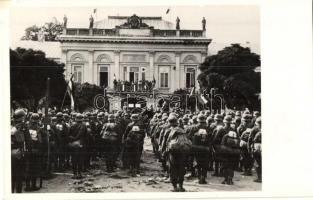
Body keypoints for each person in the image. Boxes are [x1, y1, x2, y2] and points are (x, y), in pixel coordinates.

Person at [11, 109, 32, 193]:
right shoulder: (23, 126)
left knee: (11, 176)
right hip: (19, 153)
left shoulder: (10, 124)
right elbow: (28, 140)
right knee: (19, 175)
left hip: (9, 152)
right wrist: (29, 151)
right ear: (22, 117)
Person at [25, 113, 46, 191]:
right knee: (34, 168)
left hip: (27, 150)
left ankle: (27, 186)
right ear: (38, 120)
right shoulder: (39, 129)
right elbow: (40, 141)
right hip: (35, 151)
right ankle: (33, 186)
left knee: (27, 168)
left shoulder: (26, 127)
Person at [191, 114, 213, 184]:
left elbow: (189, 136)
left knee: (197, 163)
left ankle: (199, 178)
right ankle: (203, 178)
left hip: (196, 148)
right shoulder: (208, 128)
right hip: (206, 148)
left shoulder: (194, 127)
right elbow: (211, 137)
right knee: (205, 163)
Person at [68, 113, 87, 179]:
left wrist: (73, 139)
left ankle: (74, 174)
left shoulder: (72, 125)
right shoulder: (84, 126)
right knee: (80, 159)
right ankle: (79, 173)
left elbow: (68, 134)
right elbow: (85, 135)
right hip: (81, 144)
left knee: (74, 159)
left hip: (73, 144)